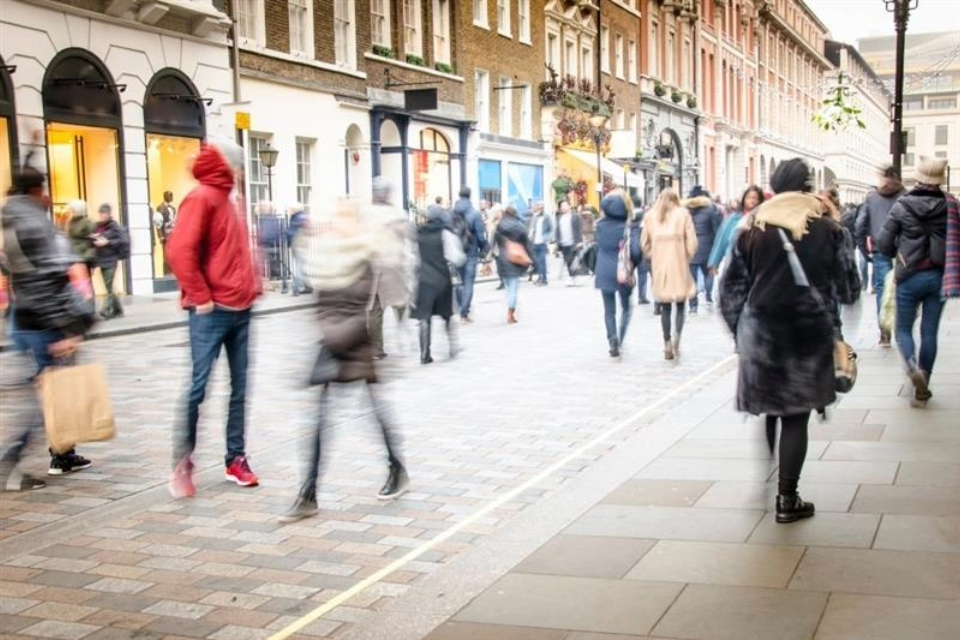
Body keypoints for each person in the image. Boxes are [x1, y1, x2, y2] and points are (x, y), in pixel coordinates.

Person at [719, 158, 860, 523]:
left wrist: (741, 331)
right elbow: (848, 289)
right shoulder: (830, 230)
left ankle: (771, 476)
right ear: (808, 186)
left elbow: (730, 290)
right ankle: (787, 497)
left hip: (761, 334)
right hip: (808, 333)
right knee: (795, 416)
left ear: (773, 187)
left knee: (770, 408)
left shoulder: (750, 228)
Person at [280, 199, 408, 522]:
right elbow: (321, 305)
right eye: (334, 217)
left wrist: (332, 336)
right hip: (332, 344)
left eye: (344, 217)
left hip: (356, 344)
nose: (337, 223)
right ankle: (308, 493)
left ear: (356, 221)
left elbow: (365, 308)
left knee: (375, 414)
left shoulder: (366, 257)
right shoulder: (326, 258)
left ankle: (397, 468)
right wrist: (326, 334)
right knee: (320, 422)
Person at [166, 140, 262, 497]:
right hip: (211, 312)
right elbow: (180, 250)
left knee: (240, 388)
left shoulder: (230, 199)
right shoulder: (203, 197)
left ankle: (235, 458)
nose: (241, 174)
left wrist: (253, 286)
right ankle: (182, 462)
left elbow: (233, 251)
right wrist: (202, 297)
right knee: (198, 387)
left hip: (241, 309)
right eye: (239, 168)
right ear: (229, 167)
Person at [1, 166, 95, 489]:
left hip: (22, 318)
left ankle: (64, 452)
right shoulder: (35, 224)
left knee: (52, 389)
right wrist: (70, 329)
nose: (48, 196)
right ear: (38, 191)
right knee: (50, 395)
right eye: (44, 190)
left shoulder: (11, 218)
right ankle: (11, 460)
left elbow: (11, 269)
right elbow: (49, 281)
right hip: (43, 323)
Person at [877, 158, 955, 405]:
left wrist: (898, 254)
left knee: (902, 329)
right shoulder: (951, 205)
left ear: (918, 177)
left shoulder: (902, 205)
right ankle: (924, 385)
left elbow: (884, 244)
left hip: (909, 275)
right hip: (938, 275)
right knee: (929, 332)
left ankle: (912, 367)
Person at [641, 189, 697, 360]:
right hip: (678, 263)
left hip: (660, 266)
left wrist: (654, 254)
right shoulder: (683, 214)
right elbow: (692, 242)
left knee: (665, 307)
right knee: (680, 304)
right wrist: (686, 255)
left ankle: (666, 341)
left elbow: (644, 243)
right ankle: (677, 336)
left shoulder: (650, 216)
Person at [363, 178, 413, 360]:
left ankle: (376, 349)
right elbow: (408, 236)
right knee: (400, 302)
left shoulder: (364, 213)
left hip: (373, 266)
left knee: (374, 310)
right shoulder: (398, 213)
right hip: (394, 266)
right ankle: (403, 334)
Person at [856, 166, 905, 346]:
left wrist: (863, 249)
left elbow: (860, 225)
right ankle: (902, 329)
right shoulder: (906, 197)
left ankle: (884, 333)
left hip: (879, 249)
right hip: (903, 251)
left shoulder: (872, 198)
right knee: (902, 288)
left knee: (882, 289)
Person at [412, 202, 464, 364]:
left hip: (424, 279)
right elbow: (454, 256)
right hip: (442, 278)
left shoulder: (418, 233)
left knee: (424, 317)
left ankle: (424, 353)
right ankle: (452, 347)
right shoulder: (445, 233)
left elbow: (412, 257)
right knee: (446, 313)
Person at [594, 191, 640, 357]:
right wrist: (635, 265)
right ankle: (620, 337)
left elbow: (597, 246)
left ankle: (612, 338)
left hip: (603, 270)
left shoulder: (599, 225)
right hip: (623, 271)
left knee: (609, 310)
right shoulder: (629, 227)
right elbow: (635, 250)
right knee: (626, 307)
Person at [708, 186, 765, 278]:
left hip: (756, 265)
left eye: (756, 198)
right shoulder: (733, 219)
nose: (752, 201)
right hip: (734, 263)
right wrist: (714, 263)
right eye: (750, 197)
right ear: (743, 199)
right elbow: (722, 241)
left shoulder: (762, 219)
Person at [452, 186, 489, 323]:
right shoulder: (474, 213)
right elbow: (480, 235)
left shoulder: (452, 212)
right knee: (468, 282)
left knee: (460, 281)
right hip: (470, 251)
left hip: (456, 250)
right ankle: (464, 313)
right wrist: (484, 248)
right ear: (470, 195)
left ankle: (462, 307)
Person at [683, 186, 721, 314]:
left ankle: (693, 305)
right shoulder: (710, 210)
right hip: (707, 247)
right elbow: (716, 230)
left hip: (690, 247)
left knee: (691, 279)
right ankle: (708, 295)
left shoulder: (685, 211)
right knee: (708, 274)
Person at [495, 205, 534, 324]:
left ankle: (510, 306)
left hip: (502, 258)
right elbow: (527, 245)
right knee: (513, 287)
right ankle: (510, 313)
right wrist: (533, 260)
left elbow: (496, 242)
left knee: (508, 286)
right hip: (515, 259)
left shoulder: (499, 225)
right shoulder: (520, 227)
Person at [93, 203, 127, 319]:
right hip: (102, 260)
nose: (101, 216)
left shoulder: (114, 226)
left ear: (108, 214)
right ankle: (118, 310)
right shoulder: (98, 226)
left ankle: (105, 310)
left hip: (111, 260)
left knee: (108, 285)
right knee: (109, 286)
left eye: (103, 214)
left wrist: (107, 242)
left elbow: (121, 241)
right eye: (100, 213)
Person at [286, 204, 313, 297]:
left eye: (290, 208)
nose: (289, 210)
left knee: (298, 268)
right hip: (303, 246)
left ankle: (296, 288)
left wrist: (287, 234)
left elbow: (291, 232)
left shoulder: (297, 218)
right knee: (303, 268)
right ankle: (308, 286)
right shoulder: (302, 217)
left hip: (299, 246)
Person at [555, 200, 583, 285]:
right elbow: (557, 230)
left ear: (569, 206)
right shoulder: (559, 217)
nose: (563, 207)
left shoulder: (575, 216)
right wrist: (557, 242)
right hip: (563, 242)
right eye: (561, 206)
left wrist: (579, 241)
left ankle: (573, 277)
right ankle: (572, 277)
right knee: (568, 260)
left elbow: (579, 229)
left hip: (573, 242)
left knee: (572, 259)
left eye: (564, 205)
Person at [66, 200, 97, 276]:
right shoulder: (70, 222)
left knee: (84, 284)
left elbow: (93, 242)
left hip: (83, 258)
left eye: (72, 209)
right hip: (73, 258)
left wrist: (91, 262)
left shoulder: (87, 222)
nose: (70, 211)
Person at [527, 202, 553, 285]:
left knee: (542, 261)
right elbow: (531, 228)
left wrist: (546, 238)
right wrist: (530, 238)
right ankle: (540, 277)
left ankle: (544, 279)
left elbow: (551, 229)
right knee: (537, 262)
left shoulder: (546, 217)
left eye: (541, 207)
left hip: (542, 243)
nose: (539, 209)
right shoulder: (535, 217)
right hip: (534, 243)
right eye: (538, 207)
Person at [631, 198, 651, 304]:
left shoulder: (627, 216)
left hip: (629, 248)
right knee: (642, 273)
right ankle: (642, 296)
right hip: (642, 248)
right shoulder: (645, 216)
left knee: (627, 272)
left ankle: (626, 294)